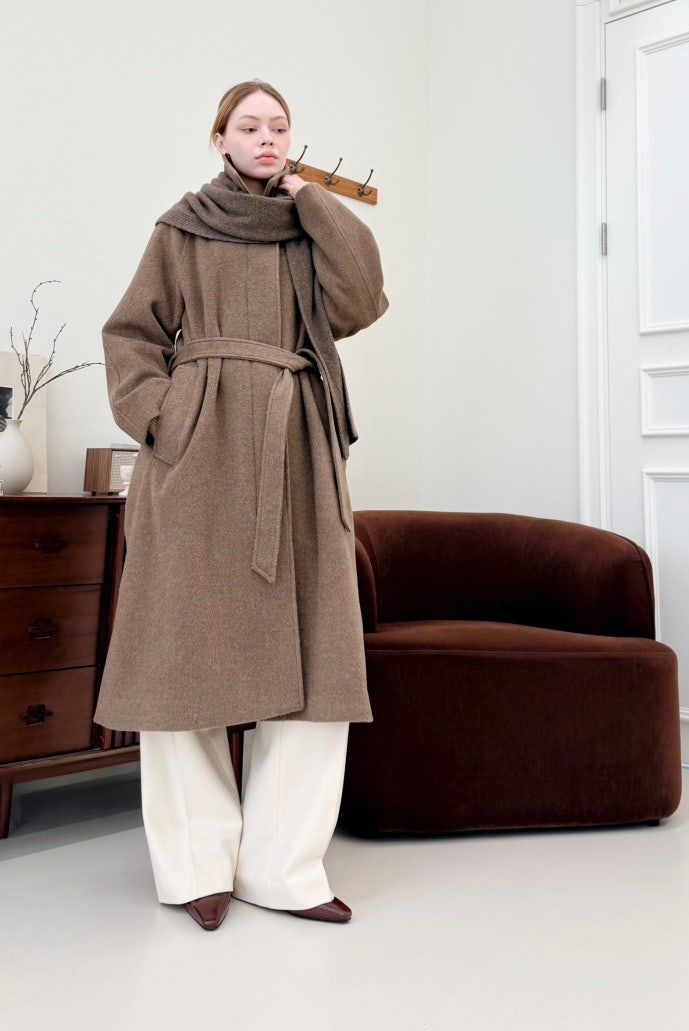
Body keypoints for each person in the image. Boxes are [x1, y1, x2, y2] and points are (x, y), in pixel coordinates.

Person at [95, 79, 388, 931]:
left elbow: (362, 299)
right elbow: (130, 334)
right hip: (200, 457)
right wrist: (165, 418)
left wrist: (313, 198)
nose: (266, 137)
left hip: (298, 449)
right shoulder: (181, 227)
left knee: (317, 659)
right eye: (249, 125)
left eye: (279, 126)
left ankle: (283, 867)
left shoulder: (308, 224)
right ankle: (196, 864)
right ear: (219, 137)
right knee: (181, 656)